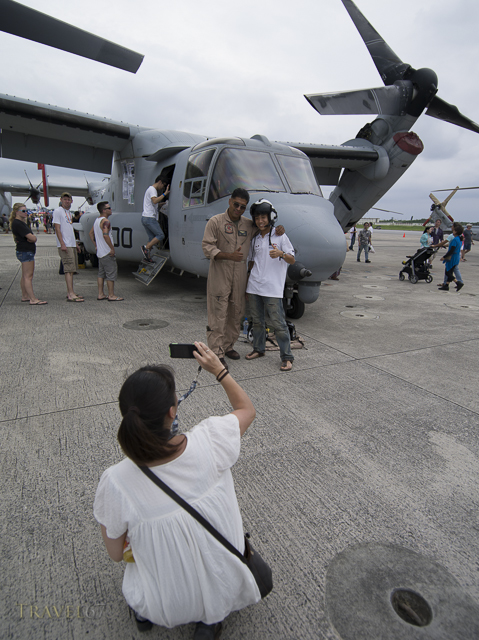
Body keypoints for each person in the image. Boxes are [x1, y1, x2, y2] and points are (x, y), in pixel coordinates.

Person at [93, 342, 261, 638]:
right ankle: (211, 619)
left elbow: (116, 554)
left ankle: (144, 612)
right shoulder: (211, 440)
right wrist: (219, 371)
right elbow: (246, 409)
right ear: (173, 411)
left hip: (165, 606)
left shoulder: (116, 481)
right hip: (226, 588)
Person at [202, 188, 285, 369]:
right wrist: (227, 255)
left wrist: (278, 228)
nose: (238, 209)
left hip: (239, 276)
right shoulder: (215, 222)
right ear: (230, 202)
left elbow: (264, 227)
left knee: (236, 312)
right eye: (236, 204)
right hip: (220, 274)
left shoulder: (248, 224)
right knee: (218, 313)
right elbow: (207, 247)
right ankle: (216, 352)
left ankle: (228, 346)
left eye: (242, 207)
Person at [245, 200, 295, 371]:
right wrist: (246, 283)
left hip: (272, 287)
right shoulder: (255, 238)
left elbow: (292, 259)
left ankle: (287, 356)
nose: (260, 221)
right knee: (257, 321)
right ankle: (259, 349)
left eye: (263, 217)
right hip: (254, 286)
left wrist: (281, 254)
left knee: (278, 323)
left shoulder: (280, 236)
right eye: (257, 218)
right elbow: (251, 262)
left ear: (270, 217)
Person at [9, 203, 47, 305]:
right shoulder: (18, 223)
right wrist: (32, 238)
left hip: (24, 250)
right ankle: (33, 298)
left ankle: (25, 295)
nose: (26, 213)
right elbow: (33, 238)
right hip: (26, 251)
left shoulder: (19, 223)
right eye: (23, 211)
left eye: (26, 211)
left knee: (25, 275)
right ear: (17, 212)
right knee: (28, 276)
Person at [89, 201, 124, 301]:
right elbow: (105, 235)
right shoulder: (106, 222)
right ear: (104, 210)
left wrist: (96, 245)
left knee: (101, 274)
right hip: (107, 252)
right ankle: (111, 295)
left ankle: (101, 293)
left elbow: (90, 234)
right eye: (109, 208)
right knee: (111, 274)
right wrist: (112, 248)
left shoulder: (97, 220)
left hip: (100, 253)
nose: (111, 209)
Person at [52, 192, 84, 302]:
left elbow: (70, 230)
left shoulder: (68, 212)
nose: (67, 201)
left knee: (72, 269)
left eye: (69, 199)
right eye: (65, 199)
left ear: (72, 201)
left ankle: (71, 291)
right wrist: (62, 243)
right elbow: (57, 228)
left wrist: (75, 243)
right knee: (68, 269)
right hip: (65, 244)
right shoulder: (58, 211)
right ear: (61, 200)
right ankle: (70, 294)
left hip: (71, 244)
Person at [140, 176, 169, 262]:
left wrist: (160, 205)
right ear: (160, 182)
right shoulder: (153, 189)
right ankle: (146, 248)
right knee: (160, 235)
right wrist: (165, 194)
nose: (162, 188)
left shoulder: (149, 190)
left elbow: (153, 203)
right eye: (163, 186)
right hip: (150, 218)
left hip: (145, 217)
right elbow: (154, 201)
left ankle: (147, 258)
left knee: (151, 238)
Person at [438, 222, 464, 292]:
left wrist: (444, 256)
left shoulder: (455, 240)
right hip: (456, 257)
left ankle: (458, 282)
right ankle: (446, 285)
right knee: (450, 271)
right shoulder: (459, 239)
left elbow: (451, 250)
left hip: (452, 257)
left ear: (456, 231)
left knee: (448, 272)